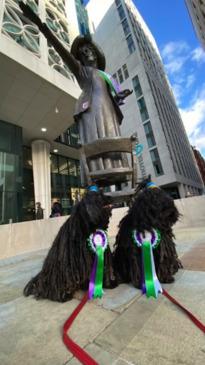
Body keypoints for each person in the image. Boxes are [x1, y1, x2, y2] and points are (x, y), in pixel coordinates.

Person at [19, 2, 133, 186]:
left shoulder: (105, 76)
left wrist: (121, 96)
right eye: (82, 52)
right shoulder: (81, 71)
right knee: (94, 138)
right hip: (91, 110)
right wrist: (41, 26)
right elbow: (60, 49)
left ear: (95, 54)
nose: (86, 53)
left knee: (110, 136)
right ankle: (96, 174)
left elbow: (112, 93)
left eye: (88, 50)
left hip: (108, 111)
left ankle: (114, 171)